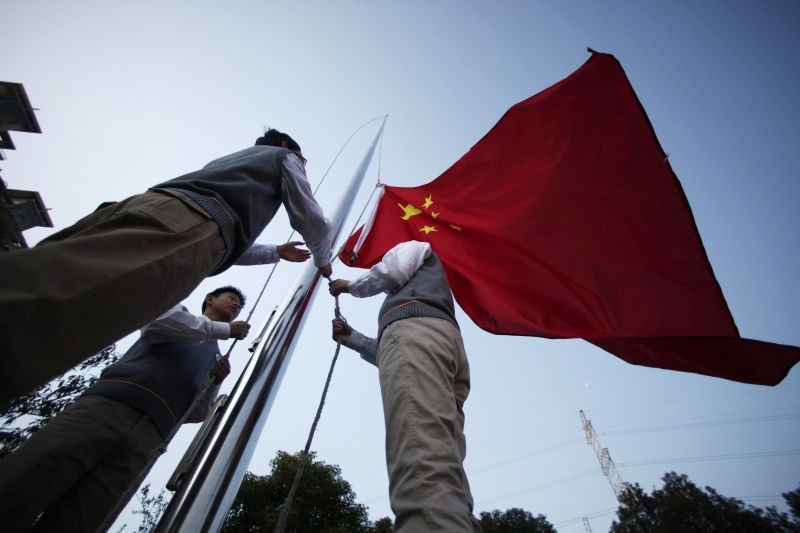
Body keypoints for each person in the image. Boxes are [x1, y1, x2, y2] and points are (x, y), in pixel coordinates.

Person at [0, 128, 333, 403]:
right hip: (182, 226)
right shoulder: (282, 157)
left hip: (148, 208)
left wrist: (275, 251)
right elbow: (312, 222)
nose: (302, 166)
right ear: (288, 147)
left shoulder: (230, 163)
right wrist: (323, 261)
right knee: (74, 307)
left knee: (44, 276)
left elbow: (222, 239)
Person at [0, 285, 251, 532]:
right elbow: (156, 325)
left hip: (149, 438)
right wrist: (224, 329)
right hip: (108, 407)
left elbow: (196, 413)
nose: (235, 306)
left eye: (238, 307)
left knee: (85, 517)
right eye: (231, 298)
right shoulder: (179, 313)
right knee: (27, 478)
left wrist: (215, 383)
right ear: (209, 299)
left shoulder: (217, 357)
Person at [329, 240, 482, 532]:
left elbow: (391, 272)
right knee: (442, 456)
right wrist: (354, 339)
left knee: (421, 457)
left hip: (419, 332)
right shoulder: (430, 307)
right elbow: (400, 356)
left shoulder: (415, 244)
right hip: (443, 345)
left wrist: (349, 286)